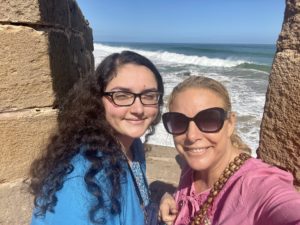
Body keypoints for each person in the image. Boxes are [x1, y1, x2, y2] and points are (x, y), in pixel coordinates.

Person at [29, 51, 164, 225]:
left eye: (149, 96)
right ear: (98, 99)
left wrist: (156, 204)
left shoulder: (133, 146)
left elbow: (136, 203)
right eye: (122, 95)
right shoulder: (83, 177)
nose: (138, 109)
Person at [159, 76, 300, 225]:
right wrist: (170, 197)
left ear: (230, 123)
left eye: (208, 120)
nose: (192, 136)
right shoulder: (192, 166)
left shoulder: (257, 185)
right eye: (179, 121)